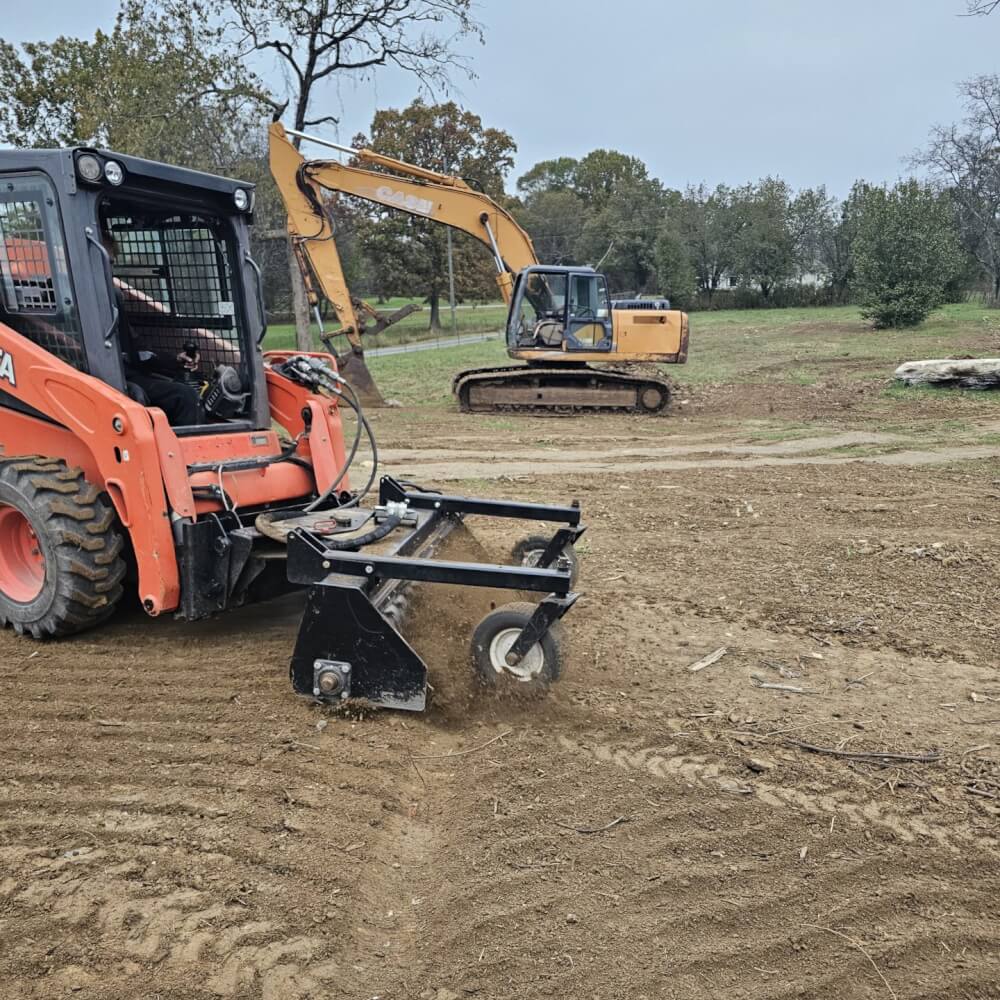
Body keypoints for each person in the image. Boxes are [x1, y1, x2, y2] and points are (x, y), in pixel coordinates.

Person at [100, 225, 202, 426]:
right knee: (183, 397)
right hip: (101, 382)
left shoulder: (112, 298)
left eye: (111, 263)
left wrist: (175, 360)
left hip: (126, 376)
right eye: (105, 262)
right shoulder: (72, 302)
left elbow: (138, 350)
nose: (109, 270)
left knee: (185, 393)